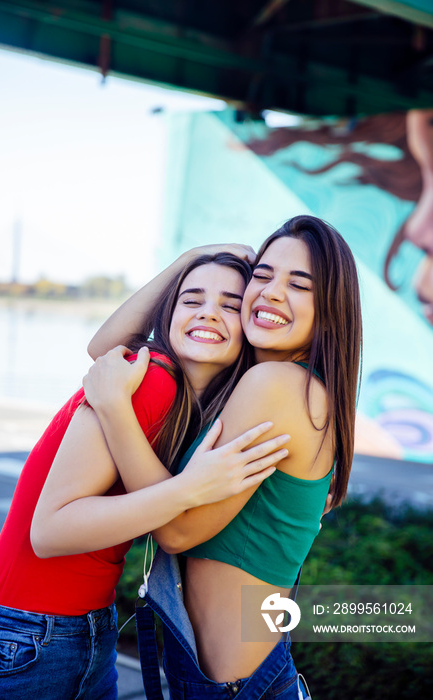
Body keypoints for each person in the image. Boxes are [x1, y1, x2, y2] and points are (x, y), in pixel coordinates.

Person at [0, 253, 289, 700]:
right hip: (34, 632)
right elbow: (50, 531)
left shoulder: (185, 404)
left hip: (61, 628)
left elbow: (100, 346)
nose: (208, 312)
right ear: (168, 316)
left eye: (230, 305)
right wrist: (188, 488)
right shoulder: (151, 380)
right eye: (189, 299)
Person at [84, 214, 362, 698]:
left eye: (299, 285)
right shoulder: (267, 381)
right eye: (263, 275)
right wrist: (191, 261)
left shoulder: (277, 385)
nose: (272, 292)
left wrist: (113, 411)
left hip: (238, 687)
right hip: (242, 677)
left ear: (330, 310)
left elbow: (175, 529)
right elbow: (107, 351)